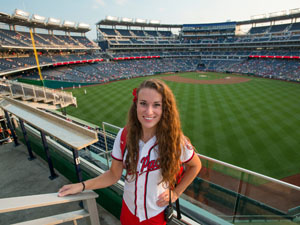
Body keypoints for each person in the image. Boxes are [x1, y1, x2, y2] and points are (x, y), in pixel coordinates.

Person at [58, 79, 202, 225]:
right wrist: (82, 186)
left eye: (156, 105)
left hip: (155, 214)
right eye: (143, 103)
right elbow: (114, 175)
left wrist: (176, 193)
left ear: (165, 108)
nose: (149, 111)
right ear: (136, 105)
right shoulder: (123, 136)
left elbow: (196, 166)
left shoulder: (175, 140)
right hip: (129, 210)